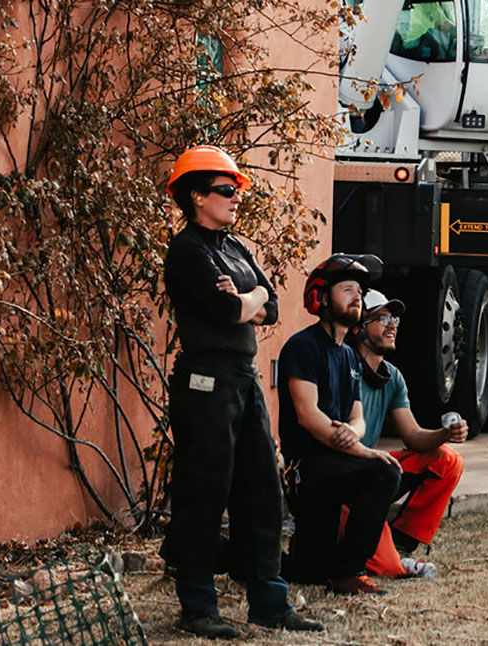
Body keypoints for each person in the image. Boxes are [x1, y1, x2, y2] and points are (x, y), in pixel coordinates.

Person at [162, 145, 323, 638]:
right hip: (205, 381)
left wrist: (246, 296)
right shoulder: (187, 250)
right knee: (204, 492)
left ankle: (270, 603)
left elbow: (270, 305)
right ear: (195, 196)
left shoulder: (233, 248)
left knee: (263, 489)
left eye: (236, 191)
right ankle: (197, 607)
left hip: (244, 377)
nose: (236, 198)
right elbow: (229, 313)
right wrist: (243, 302)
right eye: (226, 191)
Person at [278, 254, 402, 595]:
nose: (357, 296)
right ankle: (347, 573)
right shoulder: (302, 347)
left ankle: (343, 569)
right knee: (383, 471)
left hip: (336, 463)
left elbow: (357, 417)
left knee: (309, 571)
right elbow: (308, 415)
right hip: (307, 467)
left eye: (359, 290)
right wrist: (362, 450)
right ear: (320, 297)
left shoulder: (349, 356)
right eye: (347, 289)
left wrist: (356, 434)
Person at [350, 290, 468, 579]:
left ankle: (401, 540)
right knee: (389, 570)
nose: (392, 326)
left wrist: (444, 434)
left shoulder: (392, 376)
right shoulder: (344, 366)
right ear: (359, 326)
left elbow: (412, 436)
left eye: (395, 319)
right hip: (345, 476)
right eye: (382, 318)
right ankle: (384, 551)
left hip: (375, 470)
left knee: (447, 461)